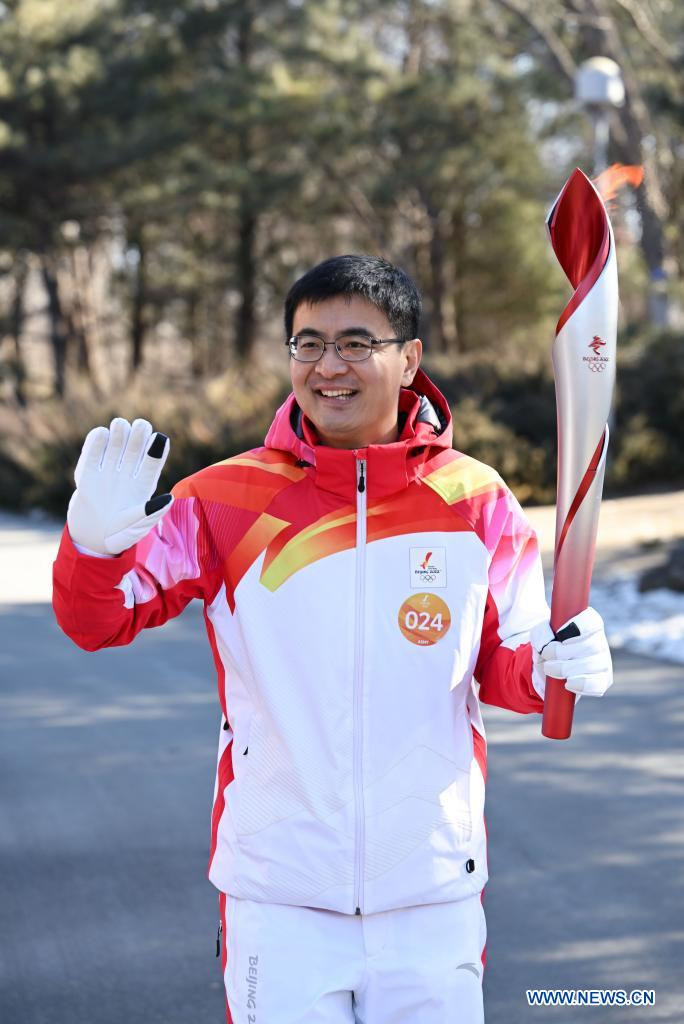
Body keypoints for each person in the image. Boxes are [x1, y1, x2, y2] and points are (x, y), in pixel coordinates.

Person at [53, 254, 613, 1023]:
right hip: (279, 896)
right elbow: (98, 621)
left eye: (356, 343)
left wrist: (557, 664)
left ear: (409, 359)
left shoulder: (475, 500)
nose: (328, 367)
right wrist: (92, 548)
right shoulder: (225, 499)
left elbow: (507, 661)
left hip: (431, 892)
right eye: (308, 344)